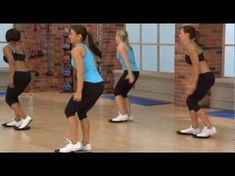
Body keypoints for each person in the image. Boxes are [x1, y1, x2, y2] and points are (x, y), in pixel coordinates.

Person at [55, 25, 104, 153]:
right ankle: (86, 144)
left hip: (89, 84)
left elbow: (81, 71)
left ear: (79, 36)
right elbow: (92, 67)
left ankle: (74, 142)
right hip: (98, 85)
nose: (69, 36)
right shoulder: (85, 48)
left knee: (69, 111)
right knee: (82, 112)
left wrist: (78, 91)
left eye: (71, 34)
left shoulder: (76, 50)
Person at [176, 25, 217, 138]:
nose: (179, 35)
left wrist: (193, 84)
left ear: (187, 35)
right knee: (190, 100)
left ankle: (210, 128)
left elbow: (196, 67)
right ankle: (195, 128)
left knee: (192, 101)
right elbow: (194, 68)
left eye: (181, 33)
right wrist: (190, 81)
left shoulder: (191, 47)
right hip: (203, 76)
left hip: (206, 77)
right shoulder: (189, 45)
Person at [1, 28, 32, 130]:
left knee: (9, 98)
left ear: (7, 37)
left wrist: (11, 78)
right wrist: (28, 80)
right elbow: (26, 63)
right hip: (26, 74)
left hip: (18, 74)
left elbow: (11, 63)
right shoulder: (21, 48)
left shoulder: (7, 48)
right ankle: (17, 120)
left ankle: (25, 118)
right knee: (14, 96)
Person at [109, 29, 139, 123]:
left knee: (117, 92)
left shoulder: (120, 46)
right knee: (124, 94)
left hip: (130, 72)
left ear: (119, 37)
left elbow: (127, 61)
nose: (115, 38)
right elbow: (133, 62)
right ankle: (129, 115)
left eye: (116, 36)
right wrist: (133, 78)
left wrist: (130, 74)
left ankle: (122, 115)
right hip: (135, 72)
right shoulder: (128, 47)